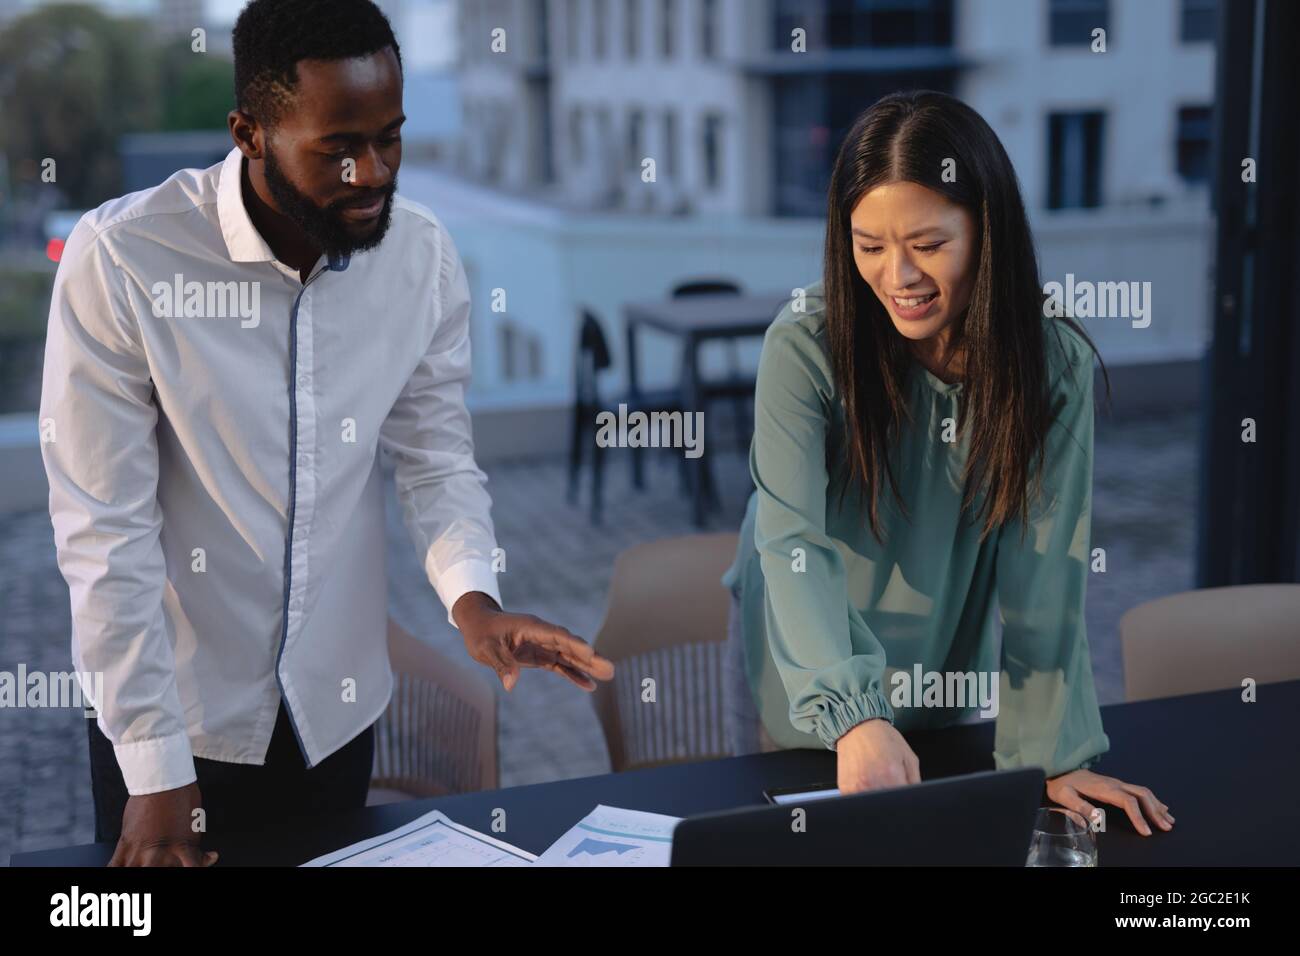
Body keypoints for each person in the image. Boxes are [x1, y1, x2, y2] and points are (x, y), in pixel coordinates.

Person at [40, 0, 612, 867]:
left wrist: (473, 600)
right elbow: (104, 532)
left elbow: (434, 456)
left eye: (391, 137)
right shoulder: (124, 259)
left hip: (336, 717)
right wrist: (153, 771)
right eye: (339, 148)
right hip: (171, 723)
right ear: (250, 133)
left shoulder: (420, 257)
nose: (373, 171)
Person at [722, 90, 1173, 838]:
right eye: (869, 246)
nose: (897, 275)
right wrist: (852, 713)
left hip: (940, 652)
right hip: (804, 651)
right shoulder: (804, 344)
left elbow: (1045, 569)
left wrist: (1050, 755)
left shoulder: (1050, 360)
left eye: (927, 244)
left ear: (985, 230)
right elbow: (792, 543)